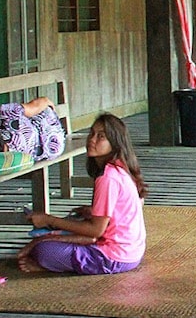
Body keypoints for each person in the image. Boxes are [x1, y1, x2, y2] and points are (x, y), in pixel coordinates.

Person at [18, 113, 147, 276]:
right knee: (70, 226)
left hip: (113, 257)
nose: (92, 140)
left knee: (43, 251)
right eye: (92, 133)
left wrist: (49, 220)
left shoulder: (108, 178)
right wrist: (92, 212)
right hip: (132, 253)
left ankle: (49, 265)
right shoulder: (120, 168)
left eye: (101, 137)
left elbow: (95, 231)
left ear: (114, 144)